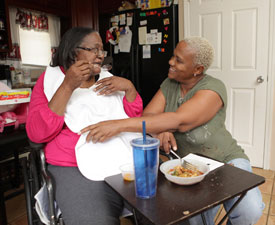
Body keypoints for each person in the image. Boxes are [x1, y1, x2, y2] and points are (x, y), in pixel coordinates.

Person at [80, 36, 265, 225]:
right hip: (185, 165)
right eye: (173, 56)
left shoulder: (213, 88)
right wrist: (159, 130)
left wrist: (117, 125)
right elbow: (149, 114)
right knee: (192, 220)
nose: (170, 62)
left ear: (198, 70)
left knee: (249, 210)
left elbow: (180, 121)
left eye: (179, 60)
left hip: (225, 160)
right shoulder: (170, 84)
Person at [26, 27, 143, 225]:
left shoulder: (108, 79)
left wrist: (130, 88)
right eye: (93, 50)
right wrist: (68, 85)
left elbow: (133, 116)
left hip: (121, 156)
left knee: (165, 212)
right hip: (74, 165)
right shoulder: (50, 81)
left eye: (102, 50)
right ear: (73, 51)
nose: (100, 56)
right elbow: (37, 134)